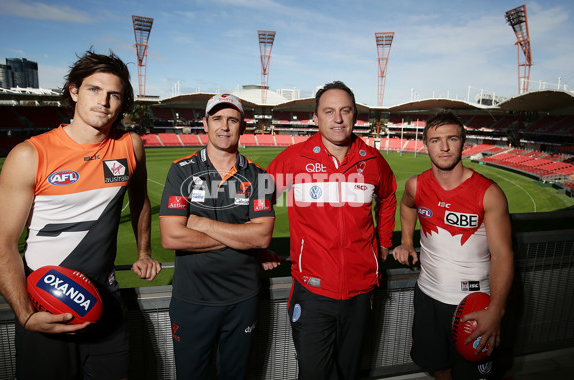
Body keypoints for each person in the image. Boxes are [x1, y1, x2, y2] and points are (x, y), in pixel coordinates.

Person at [0, 50, 161, 380]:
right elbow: (3, 246)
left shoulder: (130, 146)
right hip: (45, 303)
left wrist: (143, 252)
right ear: (74, 91)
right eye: (94, 89)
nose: (104, 101)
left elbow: (140, 201)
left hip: (106, 301)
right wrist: (25, 314)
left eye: (115, 95)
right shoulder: (29, 155)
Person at [266, 81, 397, 380]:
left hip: (361, 290)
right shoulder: (294, 158)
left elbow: (388, 196)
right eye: (329, 111)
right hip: (313, 290)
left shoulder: (373, 160)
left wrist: (384, 241)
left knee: (348, 373)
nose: (337, 118)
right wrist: (259, 245)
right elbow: (260, 198)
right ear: (316, 118)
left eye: (345, 111)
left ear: (354, 115)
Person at [159, 93, 279, 380]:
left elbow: (262, 238)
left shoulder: (259, 177)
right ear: (205, 124)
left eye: (232, 119)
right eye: (217, 119)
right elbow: (172, 238)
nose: (224, 126)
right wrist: (243, 238)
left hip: (242, 299)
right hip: (192, 300)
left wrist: (200, 222)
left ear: (242, 127)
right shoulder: (181, 170)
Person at [393, 109, 514, 380]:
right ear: (425, 146)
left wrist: (496, 309)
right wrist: (406, 241)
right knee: (440, 368)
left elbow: (503, 256)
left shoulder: (489, 193)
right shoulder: (416, 185)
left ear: (464, 143)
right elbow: (406, 205)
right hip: (427, 297)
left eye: (452, 139)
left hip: (473, 303)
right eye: (436, 140)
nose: (444, 147)